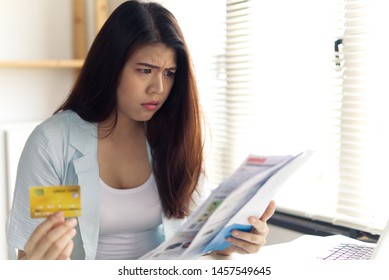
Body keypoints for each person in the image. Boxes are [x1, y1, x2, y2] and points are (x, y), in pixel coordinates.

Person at [7, 0, 276, 260]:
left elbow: (200, 235)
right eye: (145, 70)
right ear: (110, 67)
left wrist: (230, 241)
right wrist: (42, 261)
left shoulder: (172, 136)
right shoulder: (54, 142)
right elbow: (31, 254)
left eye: (169, 73)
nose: (158, 88)